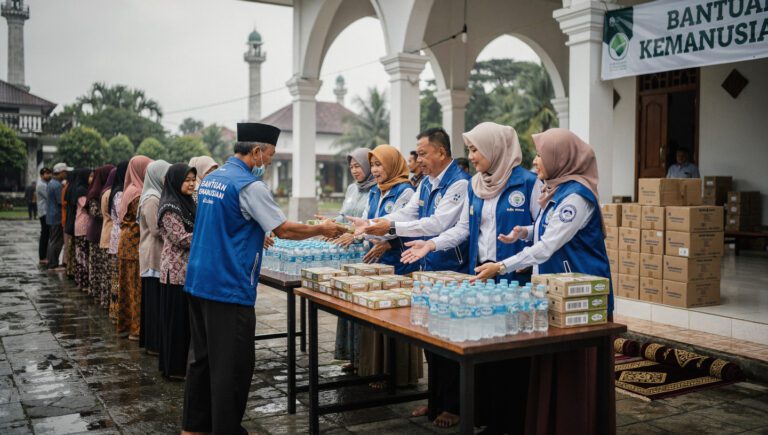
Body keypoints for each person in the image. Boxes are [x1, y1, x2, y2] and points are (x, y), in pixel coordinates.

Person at [181, 122, 347, 435]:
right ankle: (225, 428)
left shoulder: (212, 179)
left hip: (198, 280)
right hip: (228, 287)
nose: (269, 161)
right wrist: (321, 229)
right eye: (268, 155)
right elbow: (284, 229)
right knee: (231, 367)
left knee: (201, 360)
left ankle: (193, 428)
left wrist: (255, 233)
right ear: (256, 152)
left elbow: (226, 224)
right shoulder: (249, 185)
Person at [473, 128, 614, 435]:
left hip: (580, 298)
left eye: (540, 155)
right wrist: (522, 233)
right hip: (559, 294)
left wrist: (501, 265)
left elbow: (549, 245)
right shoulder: (558, 189)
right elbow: (544, 230)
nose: (535, 162)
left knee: (574, 371)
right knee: (554, 366)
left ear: (559, 157)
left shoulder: (575, 197)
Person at [401, 122, 539, 433]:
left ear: (495, 149)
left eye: (476, 149)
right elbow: (463, 229)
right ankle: (485, 415)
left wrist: (512, 264)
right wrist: (431, 243)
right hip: (480, 278)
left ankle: (511, 421)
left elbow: (539, 235)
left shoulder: (527, 184)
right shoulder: (477, 185)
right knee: (483, 353)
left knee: (511, 356)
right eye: (470, 150)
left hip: (515, 281)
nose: (471, 156)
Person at [352, 127, 470, 428]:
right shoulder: (428, 183)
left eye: (424, 153)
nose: (418, 159)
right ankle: (434, 401)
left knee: (451, 341)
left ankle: (454, 405)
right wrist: (376, 223)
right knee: (432, 341)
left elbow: (439, 223)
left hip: (451, 268)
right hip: (428, 266)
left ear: (441, 153)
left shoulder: (459, 184)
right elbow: (409, 213)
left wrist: (388, 229)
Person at [356, 144, 422, 388]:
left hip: (399, 265)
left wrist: (390, 245)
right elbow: (366, 222)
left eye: (379, 164)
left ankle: (398, 374)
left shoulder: (405, 192)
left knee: (396, 320)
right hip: (377, 266)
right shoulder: (376, 191)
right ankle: (379, 371)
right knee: (376, 319)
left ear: (393, 164)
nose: (375, 170)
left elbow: (412, 226)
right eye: (372, 164)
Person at [331, 148, 376, 372]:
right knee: (347, 305)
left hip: (366, 253)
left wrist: (353, 232)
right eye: (352, 167)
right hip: (347, 254)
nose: (355, 171)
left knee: (362, 309)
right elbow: (342, 216)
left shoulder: (377, 189)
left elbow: (372, 222)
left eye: (358, 166)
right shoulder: (351, 189)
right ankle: (352, 356)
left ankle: (366, 360)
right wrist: (329, 225)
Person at [158, 163, 197, 379]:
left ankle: (184, 366)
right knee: (176, 324)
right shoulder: (170, 207)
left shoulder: (188, 202)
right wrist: (208, 234)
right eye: (187, 180)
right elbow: (180, 238)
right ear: (175, 181)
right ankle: (174, 368)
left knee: (185, 323)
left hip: (188, 271)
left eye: (193, 179)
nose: (191, 183)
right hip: (175, 272)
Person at [117, 156, 153, 340]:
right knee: (135, 289)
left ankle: (124, 326)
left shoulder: (129, 189)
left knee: (126, 286)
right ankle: (136, 329)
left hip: (125, 243)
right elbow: (145, 222)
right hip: (133, 244)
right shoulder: (138, 194)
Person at [138, 160, 171, 355]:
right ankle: (153, 344)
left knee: (155, 302)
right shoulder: (151, 198)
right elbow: (155, 229)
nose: (167, 179)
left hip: (155, 252)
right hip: (153, 254)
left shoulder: (157, 195)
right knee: (153, 303)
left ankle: (153, 342)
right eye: (164, 175)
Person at [86, 165, 115, 307]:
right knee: (98, 266)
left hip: (101, 230)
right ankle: (98, 295)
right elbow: (95, 212)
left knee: (100, 267)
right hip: (98, 231)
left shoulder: (104, 191)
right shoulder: (96, 192)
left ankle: (99, 295)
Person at [107, 162, 129, 322]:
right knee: (117, 277)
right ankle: (116, 312)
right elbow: (123, 216)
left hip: (117, 237)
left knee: (117, 276)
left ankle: (115, 311)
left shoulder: (118, 190)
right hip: (119, 237)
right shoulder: (120, 193)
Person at [98, 166, 118, 310]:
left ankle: (105, 301)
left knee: (106, 273)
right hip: (111, 233)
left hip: (107, 232)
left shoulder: (106, 192)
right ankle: (108, 303)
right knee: (110, 273)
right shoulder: (112, 193)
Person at [72, 169, 94, 291]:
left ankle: (81, 282)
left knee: (81, 255)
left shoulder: (82, 189)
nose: (91, 178)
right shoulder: (82, 191)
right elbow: (88, 206)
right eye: (90, 176)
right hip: (83, 225)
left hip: (81, 224)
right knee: (82, 256)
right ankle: (83, 283)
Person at [46, 163, 70, 271]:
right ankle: (53, 264)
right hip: (56, 216)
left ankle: (52, 263)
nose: (65, 174)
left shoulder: (52, 183)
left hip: (52, 215)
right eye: (64, 172)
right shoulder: (57, 185)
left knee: (53, 240)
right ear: (60, 172)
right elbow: (61, 201)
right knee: (56, 241)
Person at [37, 168, 52, 265]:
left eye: (49, 173)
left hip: (46, 211)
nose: (48, 175)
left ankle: (45, 255)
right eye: (46, 174)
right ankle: (42, 257)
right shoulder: (41, 185)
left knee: (46, 234)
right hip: (44, 212)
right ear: (41, 175)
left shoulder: (45, 183)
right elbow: (49, 196)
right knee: (45, 234)